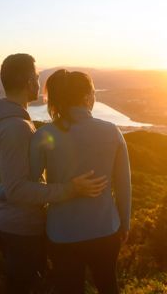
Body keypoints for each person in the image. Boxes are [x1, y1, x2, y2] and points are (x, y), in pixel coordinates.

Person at [0, 54, 107, 294]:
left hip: (6, 221)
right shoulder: (16, 128)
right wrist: (70, 189)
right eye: (38, 77)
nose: (39, 83)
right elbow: (18, 189)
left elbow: (7, 181)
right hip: (21, 227)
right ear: (30, 81)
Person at [30, 69, 131, 294]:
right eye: (93, 93)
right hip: (106, 229)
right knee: (108, 286)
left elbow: (31, 187)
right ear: (87, 97)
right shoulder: (112, 132)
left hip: (61, 233)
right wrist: (124, 223)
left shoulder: (44, 135)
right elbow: (124, 185)